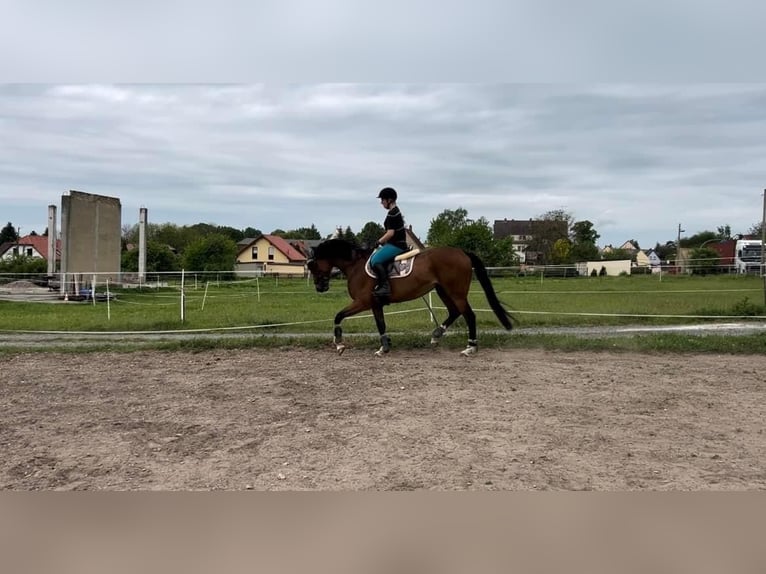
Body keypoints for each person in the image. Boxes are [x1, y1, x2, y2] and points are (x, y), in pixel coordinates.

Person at [369, 187, 408, 298]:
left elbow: (390, 233)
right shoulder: (396, 211)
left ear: (389, 200)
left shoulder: (392, 213)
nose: (381, 203)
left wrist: (378, 242)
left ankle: (385, 287)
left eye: (383, 200)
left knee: (375, 260)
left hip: (396, 245)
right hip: (395, 244)